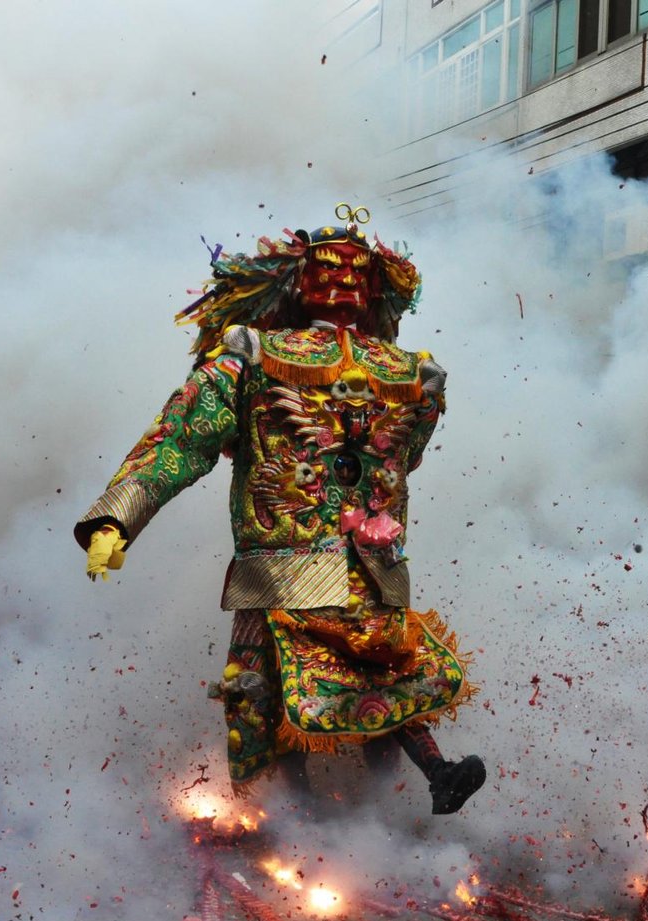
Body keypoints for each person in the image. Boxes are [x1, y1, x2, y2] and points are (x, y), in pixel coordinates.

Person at [74, 206, 485, 815]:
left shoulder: (409, 371)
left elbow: (405, 459)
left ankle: (398, 804)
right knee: (264, 690)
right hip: (280, 565)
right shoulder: (252, 354)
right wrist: (118, 517)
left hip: (370, 565)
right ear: (297, 282)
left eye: (356, 269)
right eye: (327, 267)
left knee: (386, 672)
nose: (343, 278)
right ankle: (294, 819)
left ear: (375, 286)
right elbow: (184, 437)